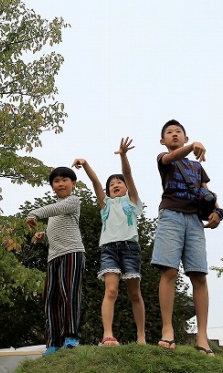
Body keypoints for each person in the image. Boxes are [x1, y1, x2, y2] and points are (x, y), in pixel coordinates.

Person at [150, 119, 223, 357]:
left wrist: (217, 213)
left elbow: (208, 194)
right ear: (163, 140)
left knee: (199, 275)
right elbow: (170, 158)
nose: (174, 134)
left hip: (194, 220)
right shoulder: (164, 158)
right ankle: (168, 330)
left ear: (184, 136)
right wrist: (192, 145)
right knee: (169, 271)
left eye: (178, 132)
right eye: (169, 133)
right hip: (171, 215)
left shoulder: (197, 167)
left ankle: (202, 338)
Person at [72, 137, 146, 347]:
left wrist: (123, 155)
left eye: (118, 183)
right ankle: (108, 335)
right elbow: (96, 182)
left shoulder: (132, 202)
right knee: (111, 291)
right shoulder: (105, 205)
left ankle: (141, 336)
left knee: (134, 293)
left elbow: (129, 175)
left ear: (125, 187)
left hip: (130, 248)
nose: (115, 185)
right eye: (111, 184)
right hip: (109, 250)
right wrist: (85, 164)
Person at [26, 166, 86, 356]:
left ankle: (71, 337)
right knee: (51, 299)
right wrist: (42, 237)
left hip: (72, 253)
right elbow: (54, 234)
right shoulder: (54, 212)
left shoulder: (73, 201)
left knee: (69, 294)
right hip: (53, 257)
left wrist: (34, 213)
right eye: (56, 181)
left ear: (73, 184)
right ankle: (53, 342)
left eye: (64, 180)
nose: (60, 184)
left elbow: (55, 208)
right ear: (52, 186)